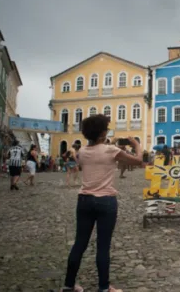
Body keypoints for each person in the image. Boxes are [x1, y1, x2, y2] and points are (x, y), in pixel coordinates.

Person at [60, 114, 142, 292]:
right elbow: (139, 161)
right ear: (102, 133)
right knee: (103, 246)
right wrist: (136, 145)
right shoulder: (110, 150)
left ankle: (68, 285)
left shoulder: (82, 152)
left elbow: (83, 161)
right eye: (106, 128)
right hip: (106, 200)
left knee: (79, 243)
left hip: (84, 200)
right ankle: (104, 287)